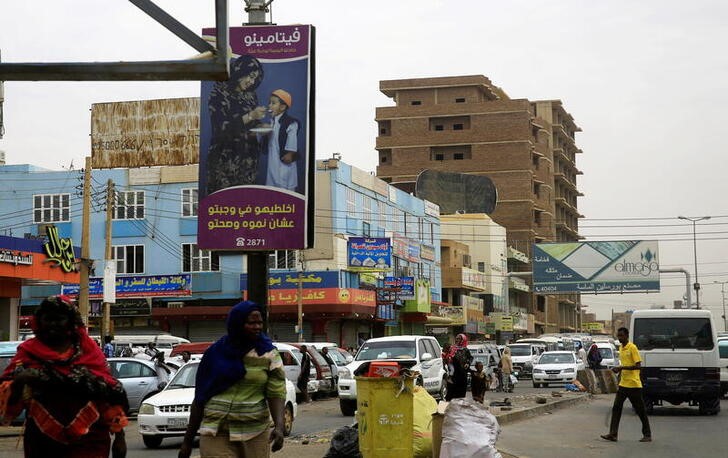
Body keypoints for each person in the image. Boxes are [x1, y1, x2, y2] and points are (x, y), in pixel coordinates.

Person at [0, 295, 128, 458]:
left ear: (70, 322)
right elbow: (9, 400)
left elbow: (107, 394)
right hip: (42, 441)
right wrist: (20, 381)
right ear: (40, 321)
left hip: (90, 441)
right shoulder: (28, 352)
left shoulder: (88, 351)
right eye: (48, 319)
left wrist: (120, 437)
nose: (53, 324)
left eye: (59, 319)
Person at [178, 300, 286, 458]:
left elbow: (276, 393)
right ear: (237, 323)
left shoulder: (269, 354)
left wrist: (279, 427)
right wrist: (187, 442)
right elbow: (200, 398)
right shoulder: (214, 353)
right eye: (251, 323)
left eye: (260, 323)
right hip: (216, 431)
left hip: (254, 432)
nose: (257, 327)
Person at [206, 55, 267, 195]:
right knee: (224, 205)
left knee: (245, 205)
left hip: (248, 163)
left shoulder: (251, 95)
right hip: (224, 163)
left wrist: (262, 127)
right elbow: (221, 128)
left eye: (254, 78)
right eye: (250, 76)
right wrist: (251, 115)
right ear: (241, 71)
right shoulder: (219, 92)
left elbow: (252, 124)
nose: (251, 82)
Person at [601, 327, 652, 443]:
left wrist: (622, 367)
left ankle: (647, 434)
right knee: (616, 408)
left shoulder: (632, 348)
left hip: (634, 385)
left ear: (627, 336)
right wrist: (620, 371)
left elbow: (638, 366)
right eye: (618, 336)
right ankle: (613, 434)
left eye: (621, 336)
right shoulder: (621, 348)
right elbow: (623, 364)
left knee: (640, 410)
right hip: (623, 384)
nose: (619, 338)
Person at [261, 89, 301, 192]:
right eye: (269, 103)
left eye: (273, 103)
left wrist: (290, 153)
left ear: (282, 107)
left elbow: (291, 145)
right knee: (271, 192)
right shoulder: (271, 123)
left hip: (284, 167)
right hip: (272, 167)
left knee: (285, 192)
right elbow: (266, 144)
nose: (269, 105)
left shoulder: (291, 123)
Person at [444, 334, 472, 401]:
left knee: (461, 393)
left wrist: (467, 364)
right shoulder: (452, 348)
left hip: (462, 374)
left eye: (459, 339)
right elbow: (447, 356)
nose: (457, 340)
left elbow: (470, 358)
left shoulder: (465, 350)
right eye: (456, 338)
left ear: (463, 340)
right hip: (454, 374)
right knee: (452, 392)